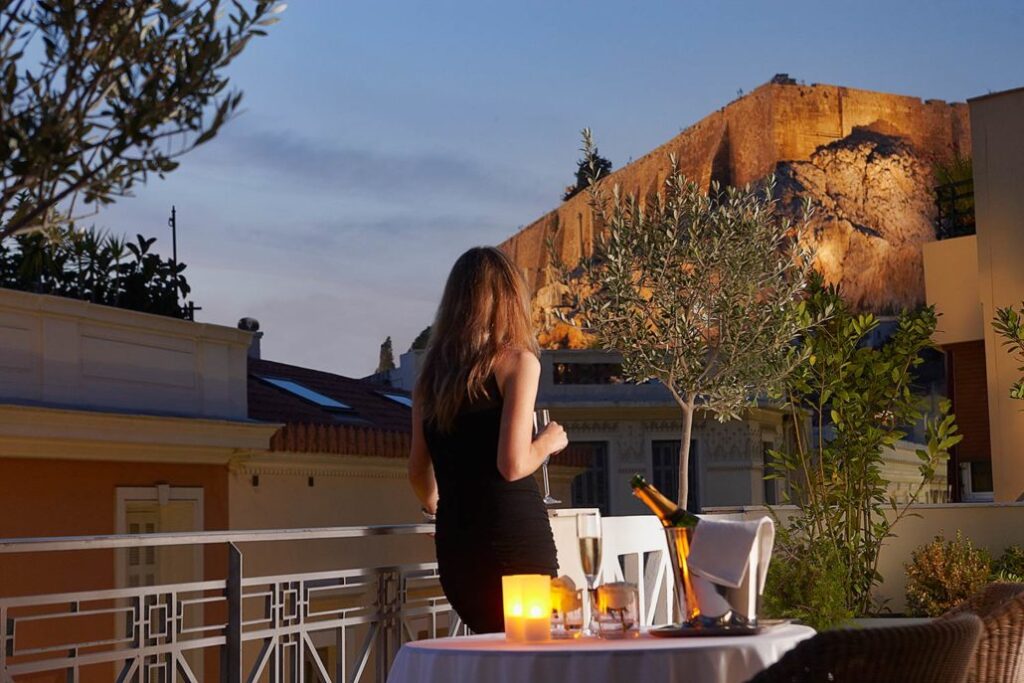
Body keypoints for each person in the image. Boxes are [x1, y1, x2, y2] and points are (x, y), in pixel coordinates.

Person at [407, 246, 568, 633]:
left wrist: (440, 508)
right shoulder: (518, 362)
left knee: (493, 657)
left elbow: (417, 470)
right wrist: (548, 442)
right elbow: (511, 466)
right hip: (514, 545)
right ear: (511, 298)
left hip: (458, 550)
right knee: (531, 663)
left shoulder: (429, 378)